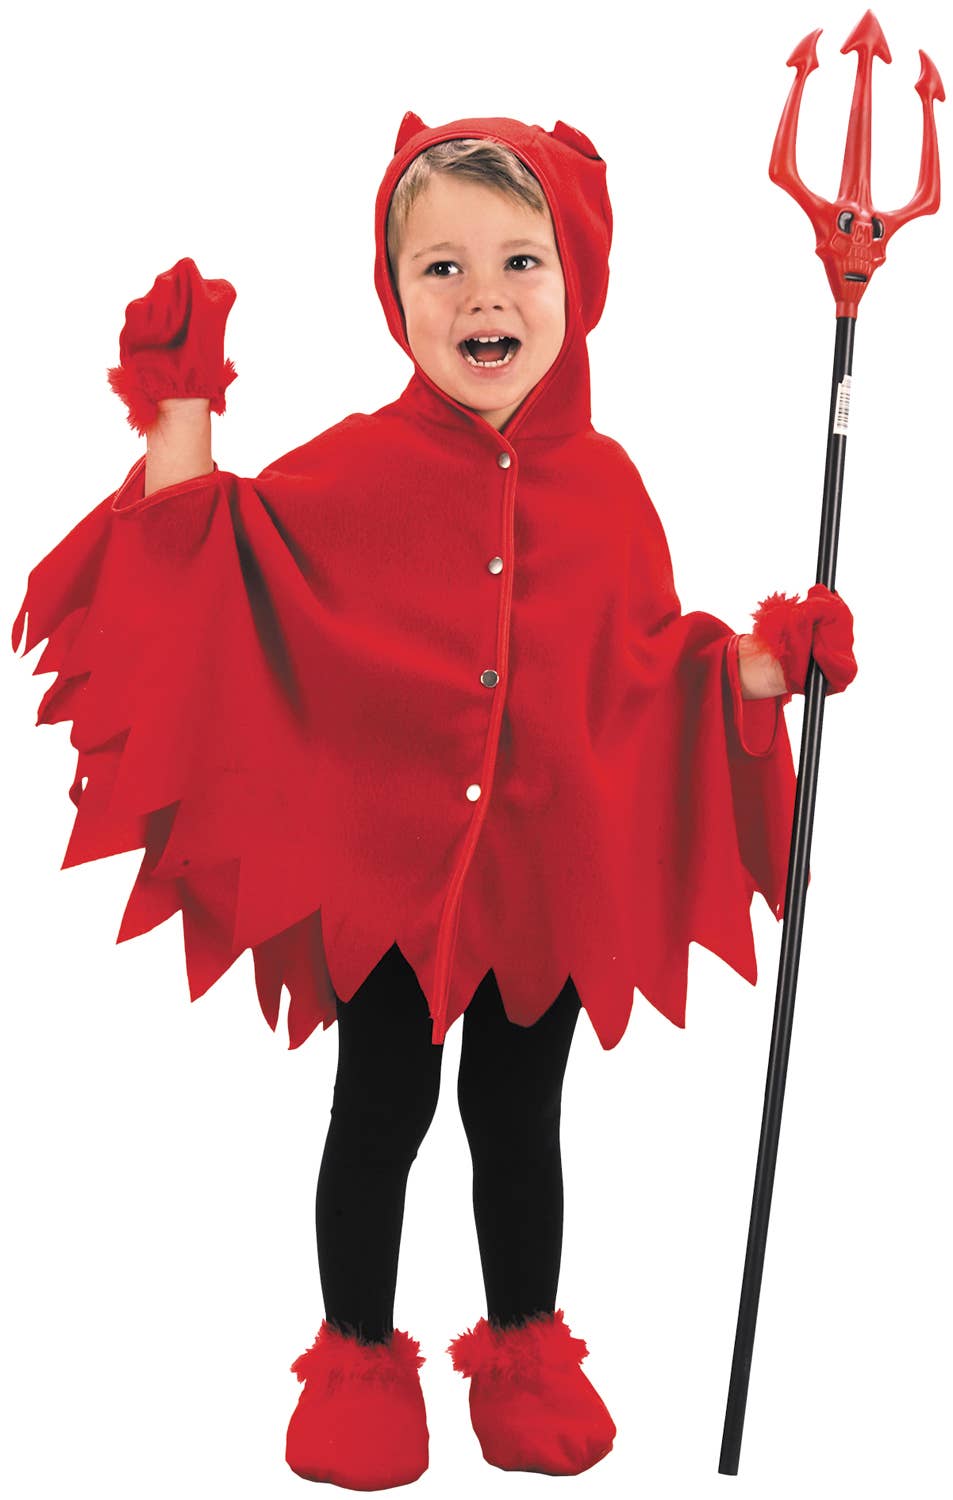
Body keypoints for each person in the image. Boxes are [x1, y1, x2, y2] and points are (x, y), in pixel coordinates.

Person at [11, 113, 857, 1490]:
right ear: (393, 292)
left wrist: (768, 661)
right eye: (440, 267)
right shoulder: (355, 468)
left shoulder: (609, 491)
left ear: (579, 282)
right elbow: (214, 553)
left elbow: (647, 671)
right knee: (381, 1107)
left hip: (537, 885)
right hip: (391, 882)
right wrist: (179, 411)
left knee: (518, 1120)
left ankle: (526, 1353)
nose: (481, 297)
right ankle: (356, 1362)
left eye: (520, 261)